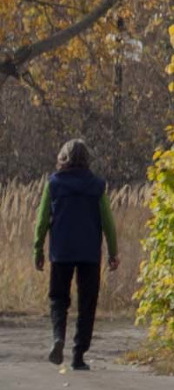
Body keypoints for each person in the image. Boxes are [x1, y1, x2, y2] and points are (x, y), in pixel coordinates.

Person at [32, 141, 118, 372]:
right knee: (87, 303)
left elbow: (41, 221)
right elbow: (108, 222)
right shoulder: (97, 186)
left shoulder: (54, 184)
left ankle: (58, 336)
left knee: (58, 299)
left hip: (61, 252)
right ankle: (78, 355)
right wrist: (113, 252)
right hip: (89, 253)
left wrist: (37, 249)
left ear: (62, 158)